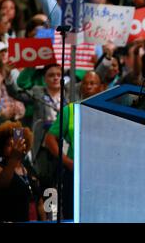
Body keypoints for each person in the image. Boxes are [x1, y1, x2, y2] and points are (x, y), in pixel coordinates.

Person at [44, 71, 103, 220]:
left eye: (92, 83)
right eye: (85, 83)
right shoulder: (69, 110)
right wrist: (67, 162)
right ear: (80, 87)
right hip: (74, 172)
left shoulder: (107, 111)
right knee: (73, 215)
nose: (88, 86)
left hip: (99, 173)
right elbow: (50, 139)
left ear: (101, 87)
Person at [0, 121, 45, 222]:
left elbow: (39, 201)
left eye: (17, 143)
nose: (14, 147)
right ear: (1, 147)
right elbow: (2, 184)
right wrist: (13, 158)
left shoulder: (29, 170)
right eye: (9, 144)